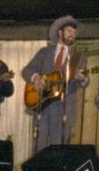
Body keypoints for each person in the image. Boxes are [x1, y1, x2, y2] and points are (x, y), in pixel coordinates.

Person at [22, 15, 89, 152]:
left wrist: (82, 79)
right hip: (42, 105)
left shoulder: (79, 57)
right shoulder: (44, 52)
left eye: (74, 33)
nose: (73, 35)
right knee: (39, 148)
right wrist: (35, 78)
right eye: (69, 31)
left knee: (59, 149)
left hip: (64, 108)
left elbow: (85, 82)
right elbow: (26, 71)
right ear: (60, 32)